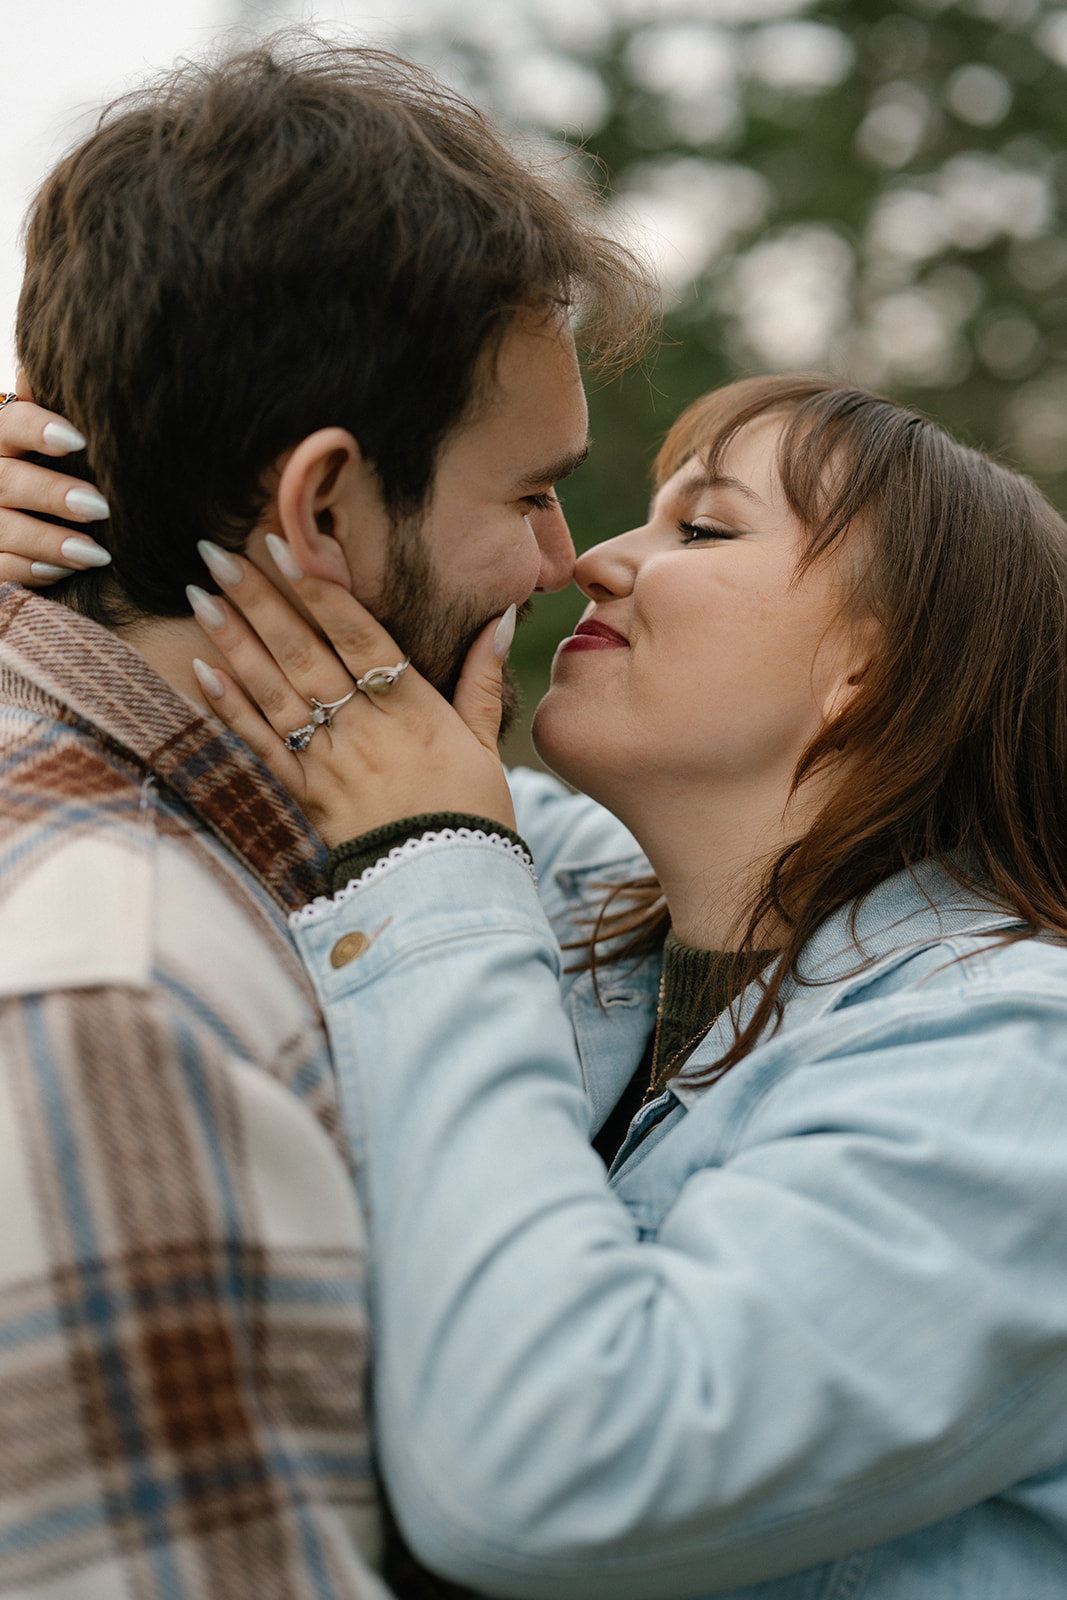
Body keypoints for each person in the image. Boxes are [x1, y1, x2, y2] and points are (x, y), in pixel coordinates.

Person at [145, 372, 1067, 1598]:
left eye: (702, 527)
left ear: (869, 665)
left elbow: (550, 1475)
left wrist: (435, 859)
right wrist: (73, 542)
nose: (591, 562)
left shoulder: (1014, 1070)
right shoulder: (582, 897)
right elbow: (255, 713)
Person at [0, 32, 650, 1600]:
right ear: (323, 510)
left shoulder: (236, 849)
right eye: (526, 494)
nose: (564, 560)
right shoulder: (123, 1000)